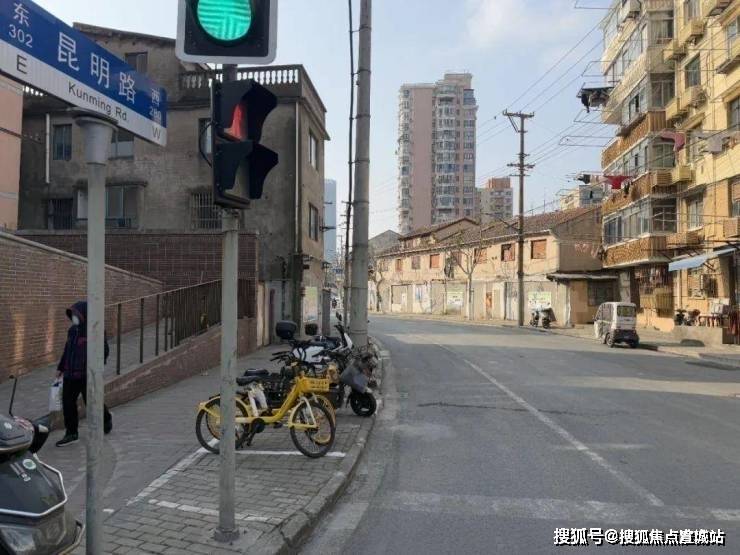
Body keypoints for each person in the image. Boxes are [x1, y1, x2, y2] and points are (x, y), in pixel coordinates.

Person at [55, 301, 113, 447]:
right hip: (70, 374)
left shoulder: (95, 330)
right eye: (72, 315)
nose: (74, 317)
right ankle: (71, 433)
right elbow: (67, 350)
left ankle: (106, 419)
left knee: (92, 401)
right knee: (68, 403)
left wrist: (96, 367)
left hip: (87, 374)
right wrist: (61, 368)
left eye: (76, 314)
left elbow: (104, 350)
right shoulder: (72, 331)